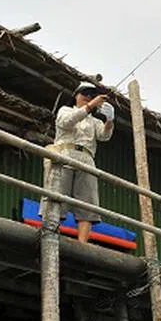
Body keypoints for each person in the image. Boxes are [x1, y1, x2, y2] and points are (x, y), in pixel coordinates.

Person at [52, 81, 114, 244]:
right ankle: (51, 234)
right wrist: (90, 106)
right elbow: (66, 122)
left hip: (87, 158)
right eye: (84, 94)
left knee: (87, 203)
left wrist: (109, 120)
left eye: (92, 95)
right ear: (75, 95)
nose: (88, 97)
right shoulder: (65, 110)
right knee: (57, 196)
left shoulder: (94, 121)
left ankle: (82, 243)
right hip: (64, 153)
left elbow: (104, 136)